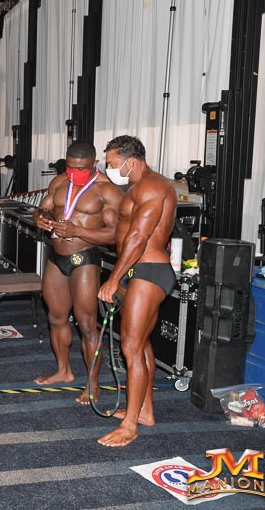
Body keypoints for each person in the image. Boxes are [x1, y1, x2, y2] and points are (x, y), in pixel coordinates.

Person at [97, 135, 177, 447]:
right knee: (141, 345)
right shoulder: (136, 187)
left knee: (130, 346)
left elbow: (138, 237)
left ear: (131, 161)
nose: (109, 168)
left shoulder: (153, 186)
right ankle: (144, 412)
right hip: (136, 269)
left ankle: (129, 426)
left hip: (148, 270)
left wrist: (114, 278)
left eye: (112, 163)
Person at [33, 140, 123, 404]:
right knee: (56, 318)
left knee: (86, 325)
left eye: (81, 168)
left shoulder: (108, 191)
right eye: (71, 167)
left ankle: (93, 384)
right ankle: (64, 370)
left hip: (84, 259)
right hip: (56, 258)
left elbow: (116, 235)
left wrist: (78, 231)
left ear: (95, 164)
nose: (75, 173)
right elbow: (42, 208)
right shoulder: (60, 181)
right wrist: (40, 219)